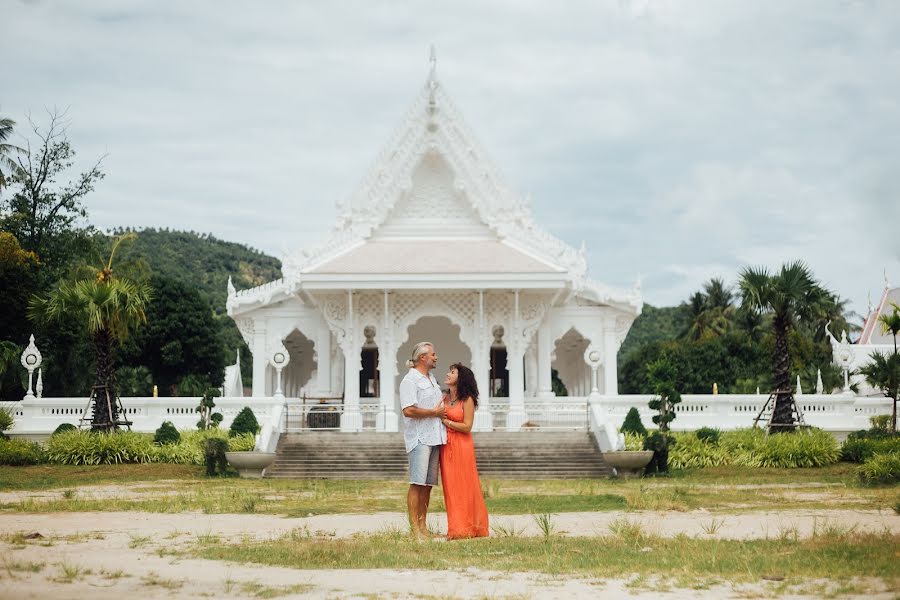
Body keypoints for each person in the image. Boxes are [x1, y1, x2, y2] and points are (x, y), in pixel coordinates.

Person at [399, 341, 446, 539]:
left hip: (435, 436)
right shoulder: (410, 381)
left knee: (427, 485)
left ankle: (423, 527)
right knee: (417, 483)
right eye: (433, 354)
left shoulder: (432, 379)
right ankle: (415, 530)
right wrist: (433, 412)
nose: (436, 357)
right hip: (419, 438)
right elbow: (408, 410)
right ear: (422, 358)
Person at [439, 362, 489, 539]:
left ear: (461, 379)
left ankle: (469, 527)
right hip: (446, 446)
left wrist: (447, 423)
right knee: (451, 487)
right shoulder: (444, 398)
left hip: (462, 445)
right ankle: (456, 527)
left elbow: (467, 426)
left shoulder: (467, 399)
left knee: (465, 485)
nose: (448, 374)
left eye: (452, 372)